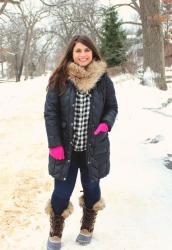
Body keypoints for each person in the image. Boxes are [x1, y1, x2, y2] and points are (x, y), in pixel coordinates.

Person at [44, 35, 118, 250]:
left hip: (94, 149)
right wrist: (54, 144)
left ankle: (87, 223)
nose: (83, 54)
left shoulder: (103, 79)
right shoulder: (60, 79)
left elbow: (112, 107)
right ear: (71, 54)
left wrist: (105, 124)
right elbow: (51, 114)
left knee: (92, 187)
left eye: (86, 50)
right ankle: (56, 228)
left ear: (93, 52)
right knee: (61, 192)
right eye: (78, 51)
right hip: (65, 150)